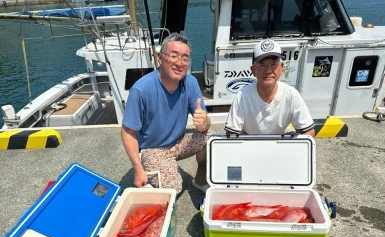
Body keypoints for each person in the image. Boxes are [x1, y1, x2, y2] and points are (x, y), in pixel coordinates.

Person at [121, 33, 212, 194]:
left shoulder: (190, 83)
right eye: (174, 56)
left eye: (185, 58)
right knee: (174, 188)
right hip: (153, 148)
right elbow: (128, 132)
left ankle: (200, 179)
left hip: (178, 141)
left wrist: (205, 123)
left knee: (212, 140)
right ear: (160, 58)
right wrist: (137, 168)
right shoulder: (141, 89)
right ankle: (152, 173)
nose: (179, 63)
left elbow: (204, 123)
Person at [225, 39, 315, 136]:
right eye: (262, 65)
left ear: (281, 68)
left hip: (279, 141)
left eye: (273, 65)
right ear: (253, 70)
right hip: (249, 141)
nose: (268, 70)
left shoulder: (291, 95)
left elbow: (309, 131)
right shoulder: (242, 96)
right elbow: (231, 133)